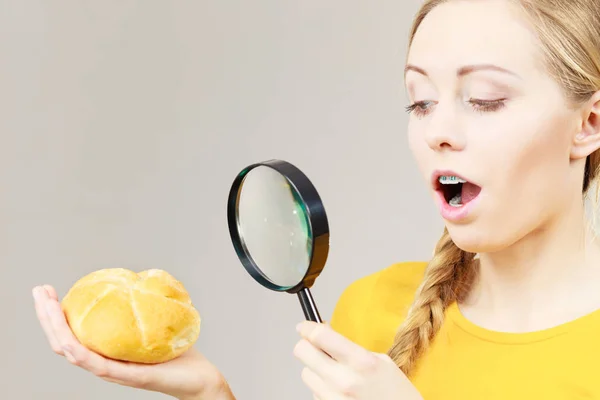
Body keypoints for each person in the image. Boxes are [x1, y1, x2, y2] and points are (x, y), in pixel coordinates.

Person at [32, 0, 600, 398]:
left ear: (589, 123)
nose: (437, 132)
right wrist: (206, 392)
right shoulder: (372, 311)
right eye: (421, 101)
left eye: (484, 98)